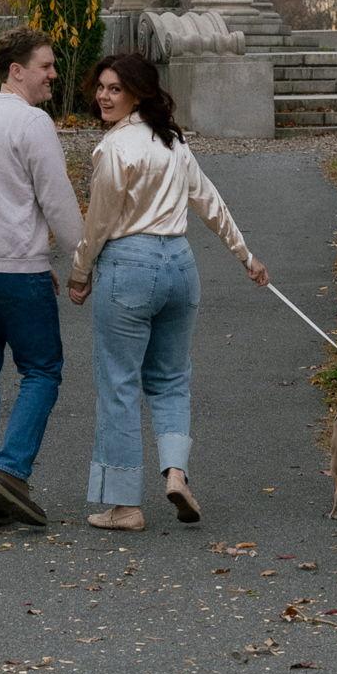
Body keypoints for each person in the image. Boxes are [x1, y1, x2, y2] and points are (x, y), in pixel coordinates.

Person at [67, 52, 268, 532]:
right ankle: (175, 473)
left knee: (119, 382)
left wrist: (79, 271)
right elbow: (209, 202)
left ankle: (124, 505)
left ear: (138, 93)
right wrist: (246, 256)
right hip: (180, 265)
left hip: (129, 267)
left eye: (115, 89)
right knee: (172, 379)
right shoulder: (173, 142)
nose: (103, 96)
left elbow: (99, 222)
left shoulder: (115, 149)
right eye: (101, 87)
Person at [0, 25, 84, 531]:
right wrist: (83, 260)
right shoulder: (31, 122)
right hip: (13, 270)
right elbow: (57, 200)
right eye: (46, 66)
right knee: (42, 370)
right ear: (16, 71)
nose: (53, 74)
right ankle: (9, 471)